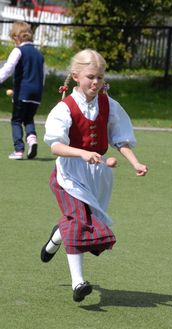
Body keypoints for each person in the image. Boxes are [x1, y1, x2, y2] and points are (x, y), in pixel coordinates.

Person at [40, 49, 148, 303]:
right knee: (79, 222)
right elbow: (55, 146)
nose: (96, 83)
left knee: (85, 223)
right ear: (76, 76)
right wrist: (81, 154)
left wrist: (135, 162)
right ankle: (78, 283)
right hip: (69, 173)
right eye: (90, 77)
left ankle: (57, 236)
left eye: (100, 77)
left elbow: (119, 138)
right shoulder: (64, 108)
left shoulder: (109, 104)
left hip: (97, 175)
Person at [0, 21, 44, 160]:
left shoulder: (18, 50)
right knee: (29, 118)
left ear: (17, 37)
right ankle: (32, 139)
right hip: (36, 94)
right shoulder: (39, 55)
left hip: (22, 92)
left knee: (16, 120)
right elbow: (43, 76)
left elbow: (8, 68)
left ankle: (19, 150)